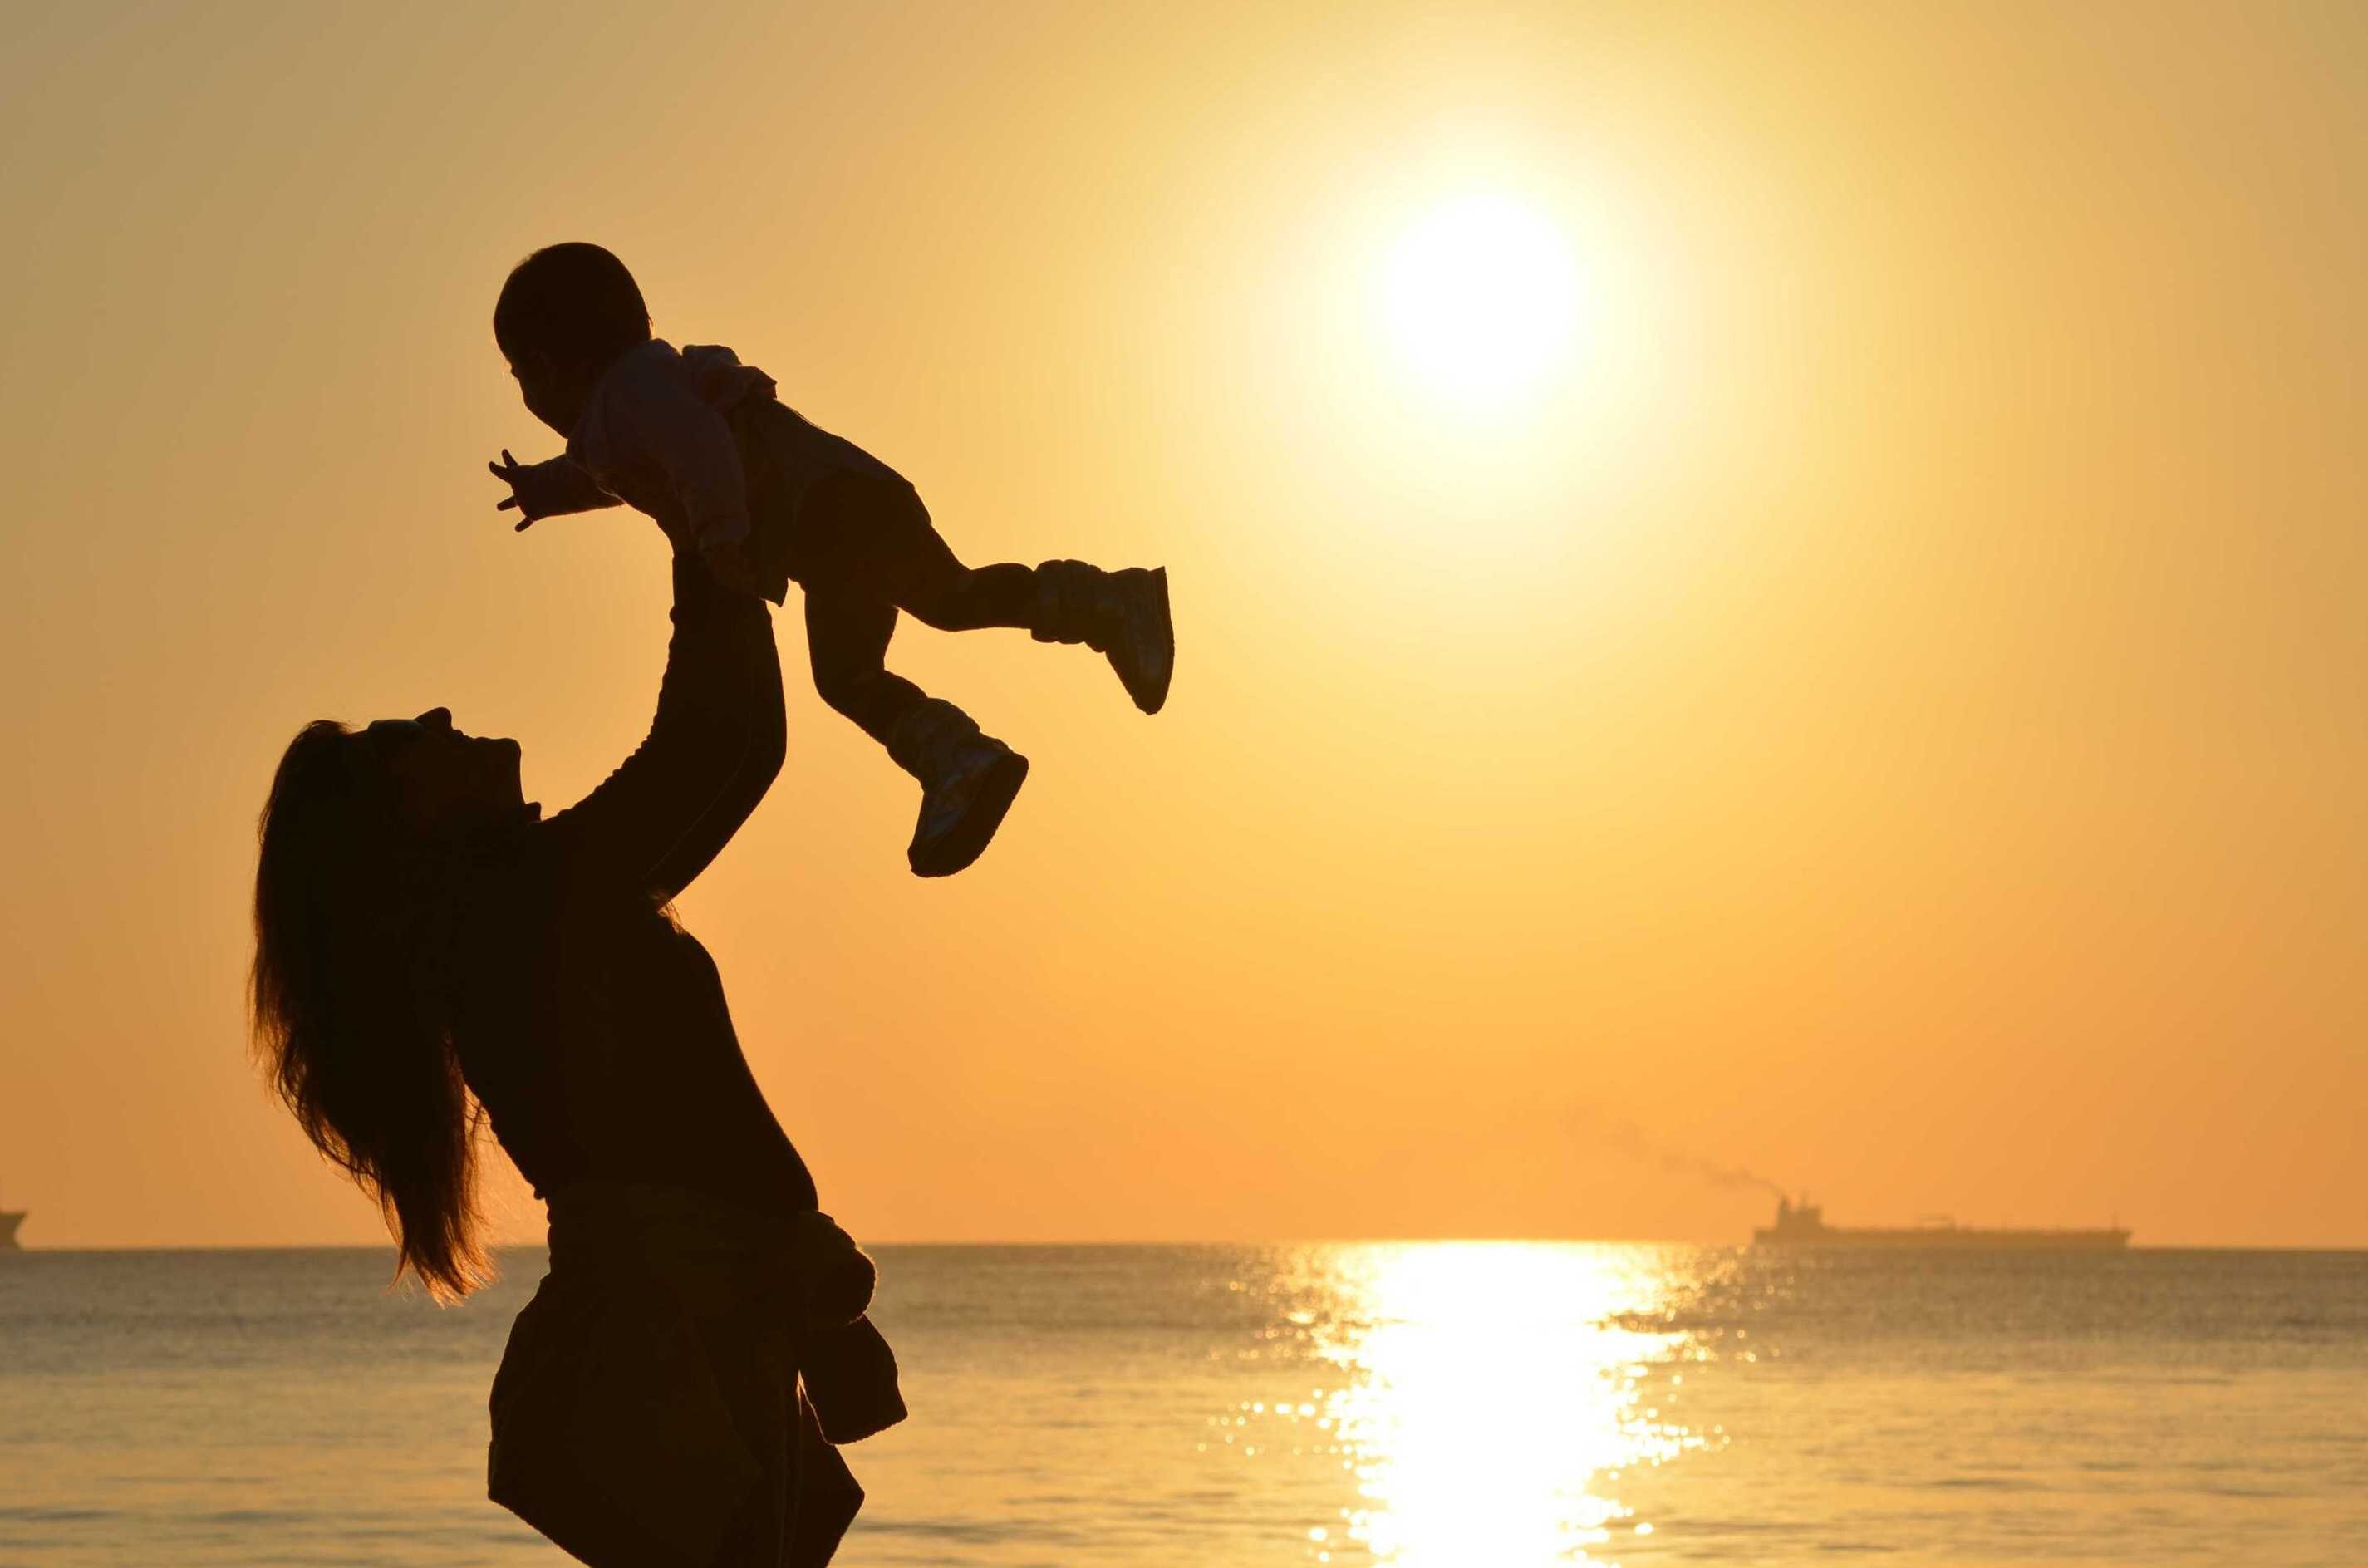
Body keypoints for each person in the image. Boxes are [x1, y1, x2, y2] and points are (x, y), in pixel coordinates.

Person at [251, 544, 900, 1566]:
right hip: (667, 1340)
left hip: (697, 1330)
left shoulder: (544, 901)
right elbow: (712, 743)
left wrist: (720, 539)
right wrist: (703, 524)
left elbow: (741, 755)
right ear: (403, 827)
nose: (431, 718)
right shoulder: (525, 906)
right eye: (398, 746)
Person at [485, 240, 1176, 877]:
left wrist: (722, 536)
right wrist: (542, 490)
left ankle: (1078, 635)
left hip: (832, 506)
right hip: (829, 524)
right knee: (888, 645)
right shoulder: (626, 408)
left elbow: (695, 447)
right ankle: (967, 750)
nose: (527, 395)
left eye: (521, 375)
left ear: (546, 368)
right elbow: (611, 472)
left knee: (934, 611)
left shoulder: (633, 393)